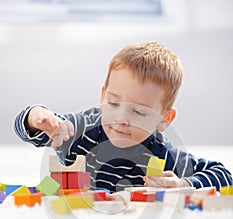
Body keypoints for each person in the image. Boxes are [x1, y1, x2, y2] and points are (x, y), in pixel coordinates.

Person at [14, 41, 232, 193]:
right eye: (114, 103)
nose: (121, 118)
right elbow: (38, 132)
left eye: (139, 111)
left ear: (164, 119)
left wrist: (183, 184)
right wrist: (38, 118)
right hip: (72, 215)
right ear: (103, 95)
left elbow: (224, 175)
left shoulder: (161, 153)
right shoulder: (86, 127)